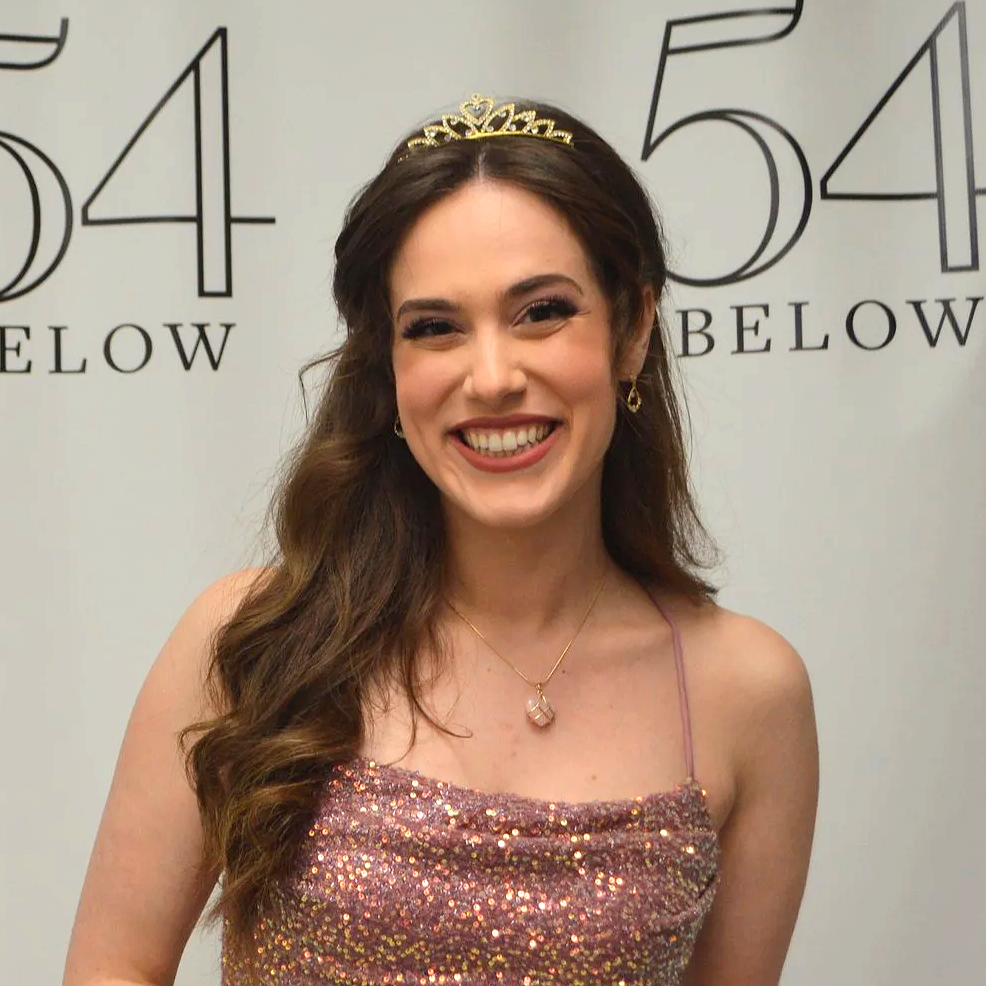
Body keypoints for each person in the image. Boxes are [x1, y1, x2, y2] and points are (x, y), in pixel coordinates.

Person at [63, 93, 819, 986]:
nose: (493, 377)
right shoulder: (253, 639)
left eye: (542, 311)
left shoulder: (748, 693)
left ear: (633, 328)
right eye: (435, 328)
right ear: (388, 365)